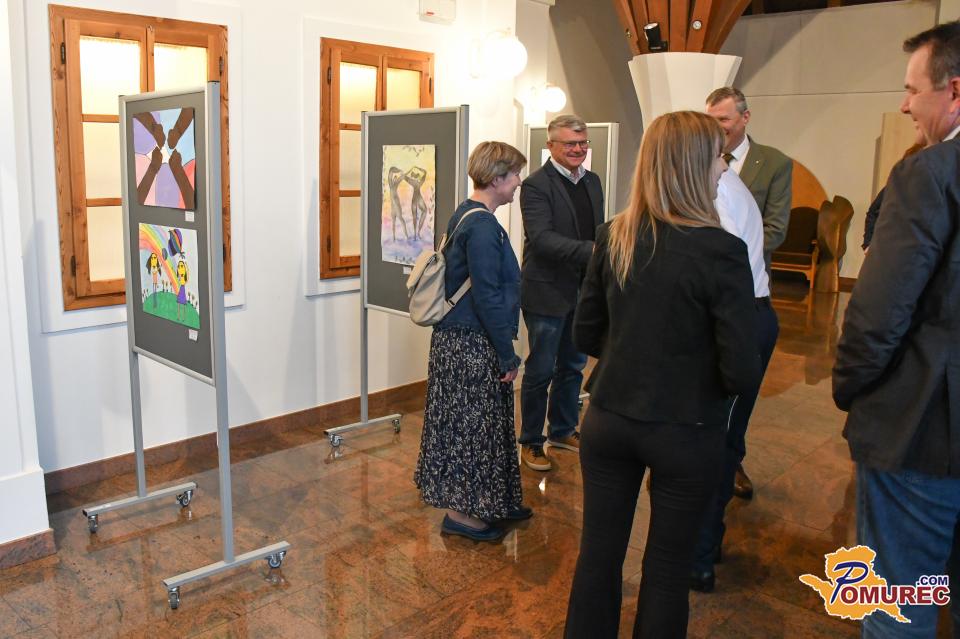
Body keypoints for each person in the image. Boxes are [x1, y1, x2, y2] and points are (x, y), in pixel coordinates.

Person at [564, 111, 760, 638]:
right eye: (718, 157)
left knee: (597, 556)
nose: (724, 168)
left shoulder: (615, 236)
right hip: (686, 429)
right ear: (694, 166)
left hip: (609, 418)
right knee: (668, 569)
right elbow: (741, 368)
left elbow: (586, 334)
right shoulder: (722, 251)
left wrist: (634, 354)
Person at [832, 21, 960, 638]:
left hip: (926, 426)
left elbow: (878, 312)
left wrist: (850, 387)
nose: (906, 105)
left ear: (954, 90)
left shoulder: (929, 173)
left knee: (898, 600)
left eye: (912, 89)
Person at [414, 141, 532, 542]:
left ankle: (494, 500)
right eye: (514, 174)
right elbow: (487, 296)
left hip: (460, 341)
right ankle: (462, 516)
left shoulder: (466, 213)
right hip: (470, 344)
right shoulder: (481, 227)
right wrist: (507, 355)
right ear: (497, 178)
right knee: (471, 431)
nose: (518, 181)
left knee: (481, 426)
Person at [691, 168, 778, 593]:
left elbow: (722, 269)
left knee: (714, 440)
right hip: (749, 314)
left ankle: (698, 557)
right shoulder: (723, 184)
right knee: (723, 438)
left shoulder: (717, 191)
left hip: (739, 317)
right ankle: (707, 544)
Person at [706, 86, 792, 500]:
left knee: (738, 396)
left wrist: (742, 253)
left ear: (744, 117)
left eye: (723, 119)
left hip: (750, 288)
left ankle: (729, 463)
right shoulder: (707, 164)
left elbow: (775, 227)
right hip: (719, 293)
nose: (717, 127)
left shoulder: (772, 163)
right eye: (711, 120)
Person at [518, 114, 604, 472]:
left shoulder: (593, 181)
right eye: (570, 143)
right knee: (540, 369)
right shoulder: (536, 185)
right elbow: (542, 239)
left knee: (573, 366)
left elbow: (597, 229)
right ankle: (531, 441)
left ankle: (563, 430)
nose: (578, 149)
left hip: (583, 290)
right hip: (546, 292)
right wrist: (595, 252)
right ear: (551, 145)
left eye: (583, 143)